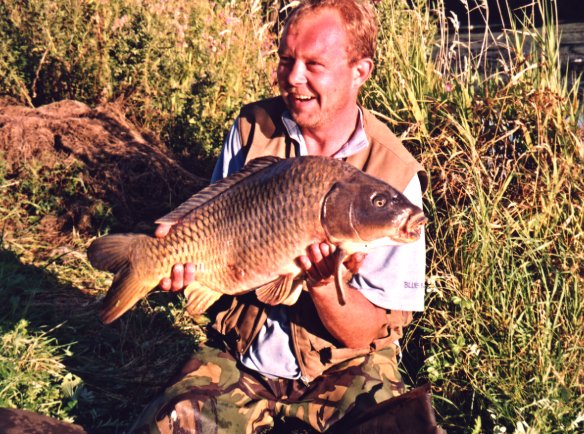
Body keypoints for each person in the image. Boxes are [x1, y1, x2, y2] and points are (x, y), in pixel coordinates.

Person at [131, 0, 428, 432]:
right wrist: (180, 259)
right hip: (243, 354)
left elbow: (365, 335)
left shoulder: (394, 177)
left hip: (342, 368)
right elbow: (212, 218)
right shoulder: (253, 128)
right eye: (286, 60)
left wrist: (326, 287)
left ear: (360, 71)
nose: (293, 78)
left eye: (314, 64)